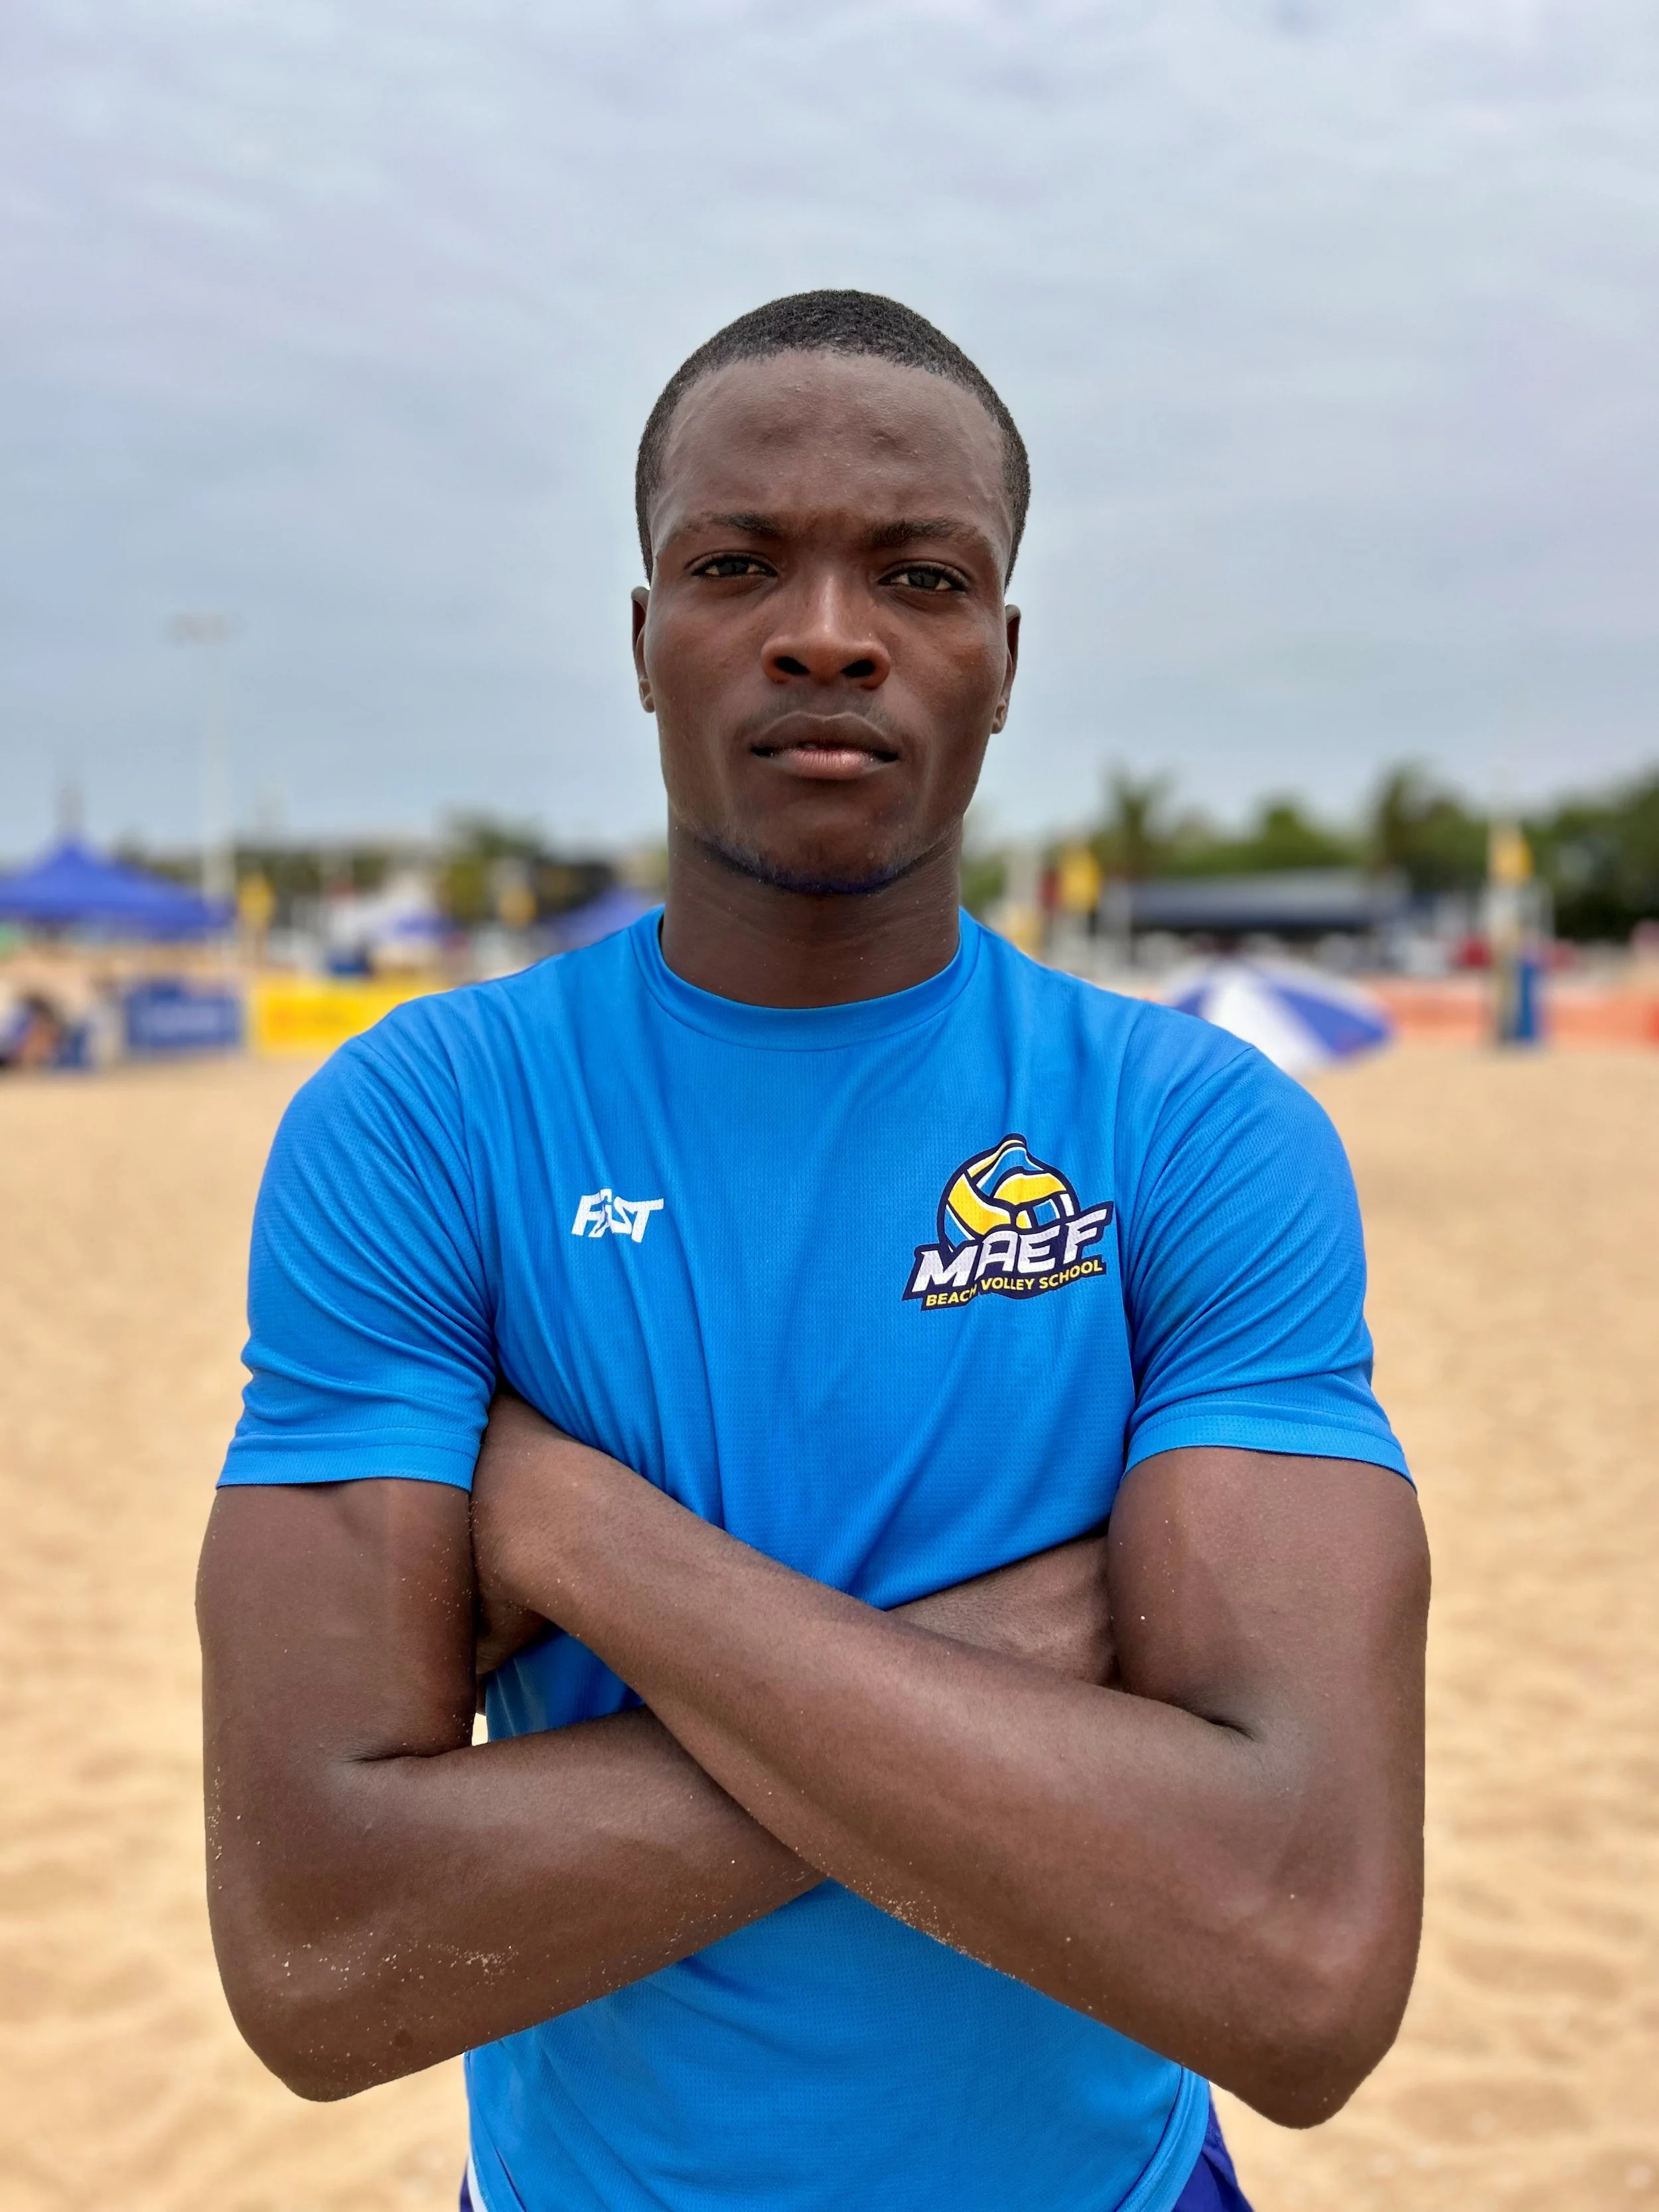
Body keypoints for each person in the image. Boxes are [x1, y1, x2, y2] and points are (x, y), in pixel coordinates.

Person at [198, 290, 1429, 2212]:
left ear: (1003, 656)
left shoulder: (1192, 1132)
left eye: (920, 575)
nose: (829, 632)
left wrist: (582, 1539)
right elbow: (323, 1958)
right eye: (738, 563)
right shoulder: (428, 1122)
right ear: (643, 639)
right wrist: (1029, 1659)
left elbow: (1296, 1967)